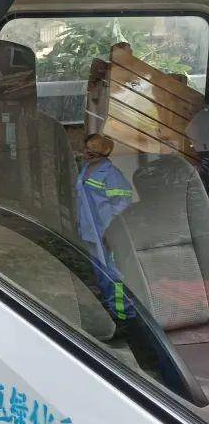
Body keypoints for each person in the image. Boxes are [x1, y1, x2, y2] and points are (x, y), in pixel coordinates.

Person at [76, 133, 134, 318]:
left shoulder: (111, 174)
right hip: (90, 232)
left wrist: (111, 230)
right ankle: (112, 309)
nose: (84, 152)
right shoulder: (86, 169)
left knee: (113, 274)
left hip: (106, 232)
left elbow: (123, 203)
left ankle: (123, 315)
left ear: (98, 152)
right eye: (85, 148)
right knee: (102, 274)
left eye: (89, 149)